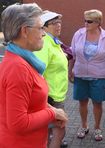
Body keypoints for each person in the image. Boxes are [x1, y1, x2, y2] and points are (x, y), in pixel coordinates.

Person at [0, 3, 68, 148]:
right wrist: (52, 114)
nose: (44, 33)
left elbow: (31, 101)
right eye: (41, 28)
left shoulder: (22, 60)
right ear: (25, 31)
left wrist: (52, 109)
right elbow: (18, 124)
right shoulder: (18, 67)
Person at [68, 9, 105, 141]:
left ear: (98, 22)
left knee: (97, 103)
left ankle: (97, 127)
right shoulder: (79, 34)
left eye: (89, 21)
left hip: (98, 76)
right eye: (85, 20)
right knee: (82, 102)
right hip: (80, 74)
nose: (86, 23)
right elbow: (73, 54)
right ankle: (84, 126)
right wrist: (70, 71)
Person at [34, 11, 69, 148]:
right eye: (53, 23)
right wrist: (45, 97)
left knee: (47, 131)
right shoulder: (45, 44)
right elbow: (38, 72)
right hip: (51, 97)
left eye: (59, 21)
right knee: (60, 132)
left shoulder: (53, 41)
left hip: (57, 94)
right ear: (44, 27)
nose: (58, 25)